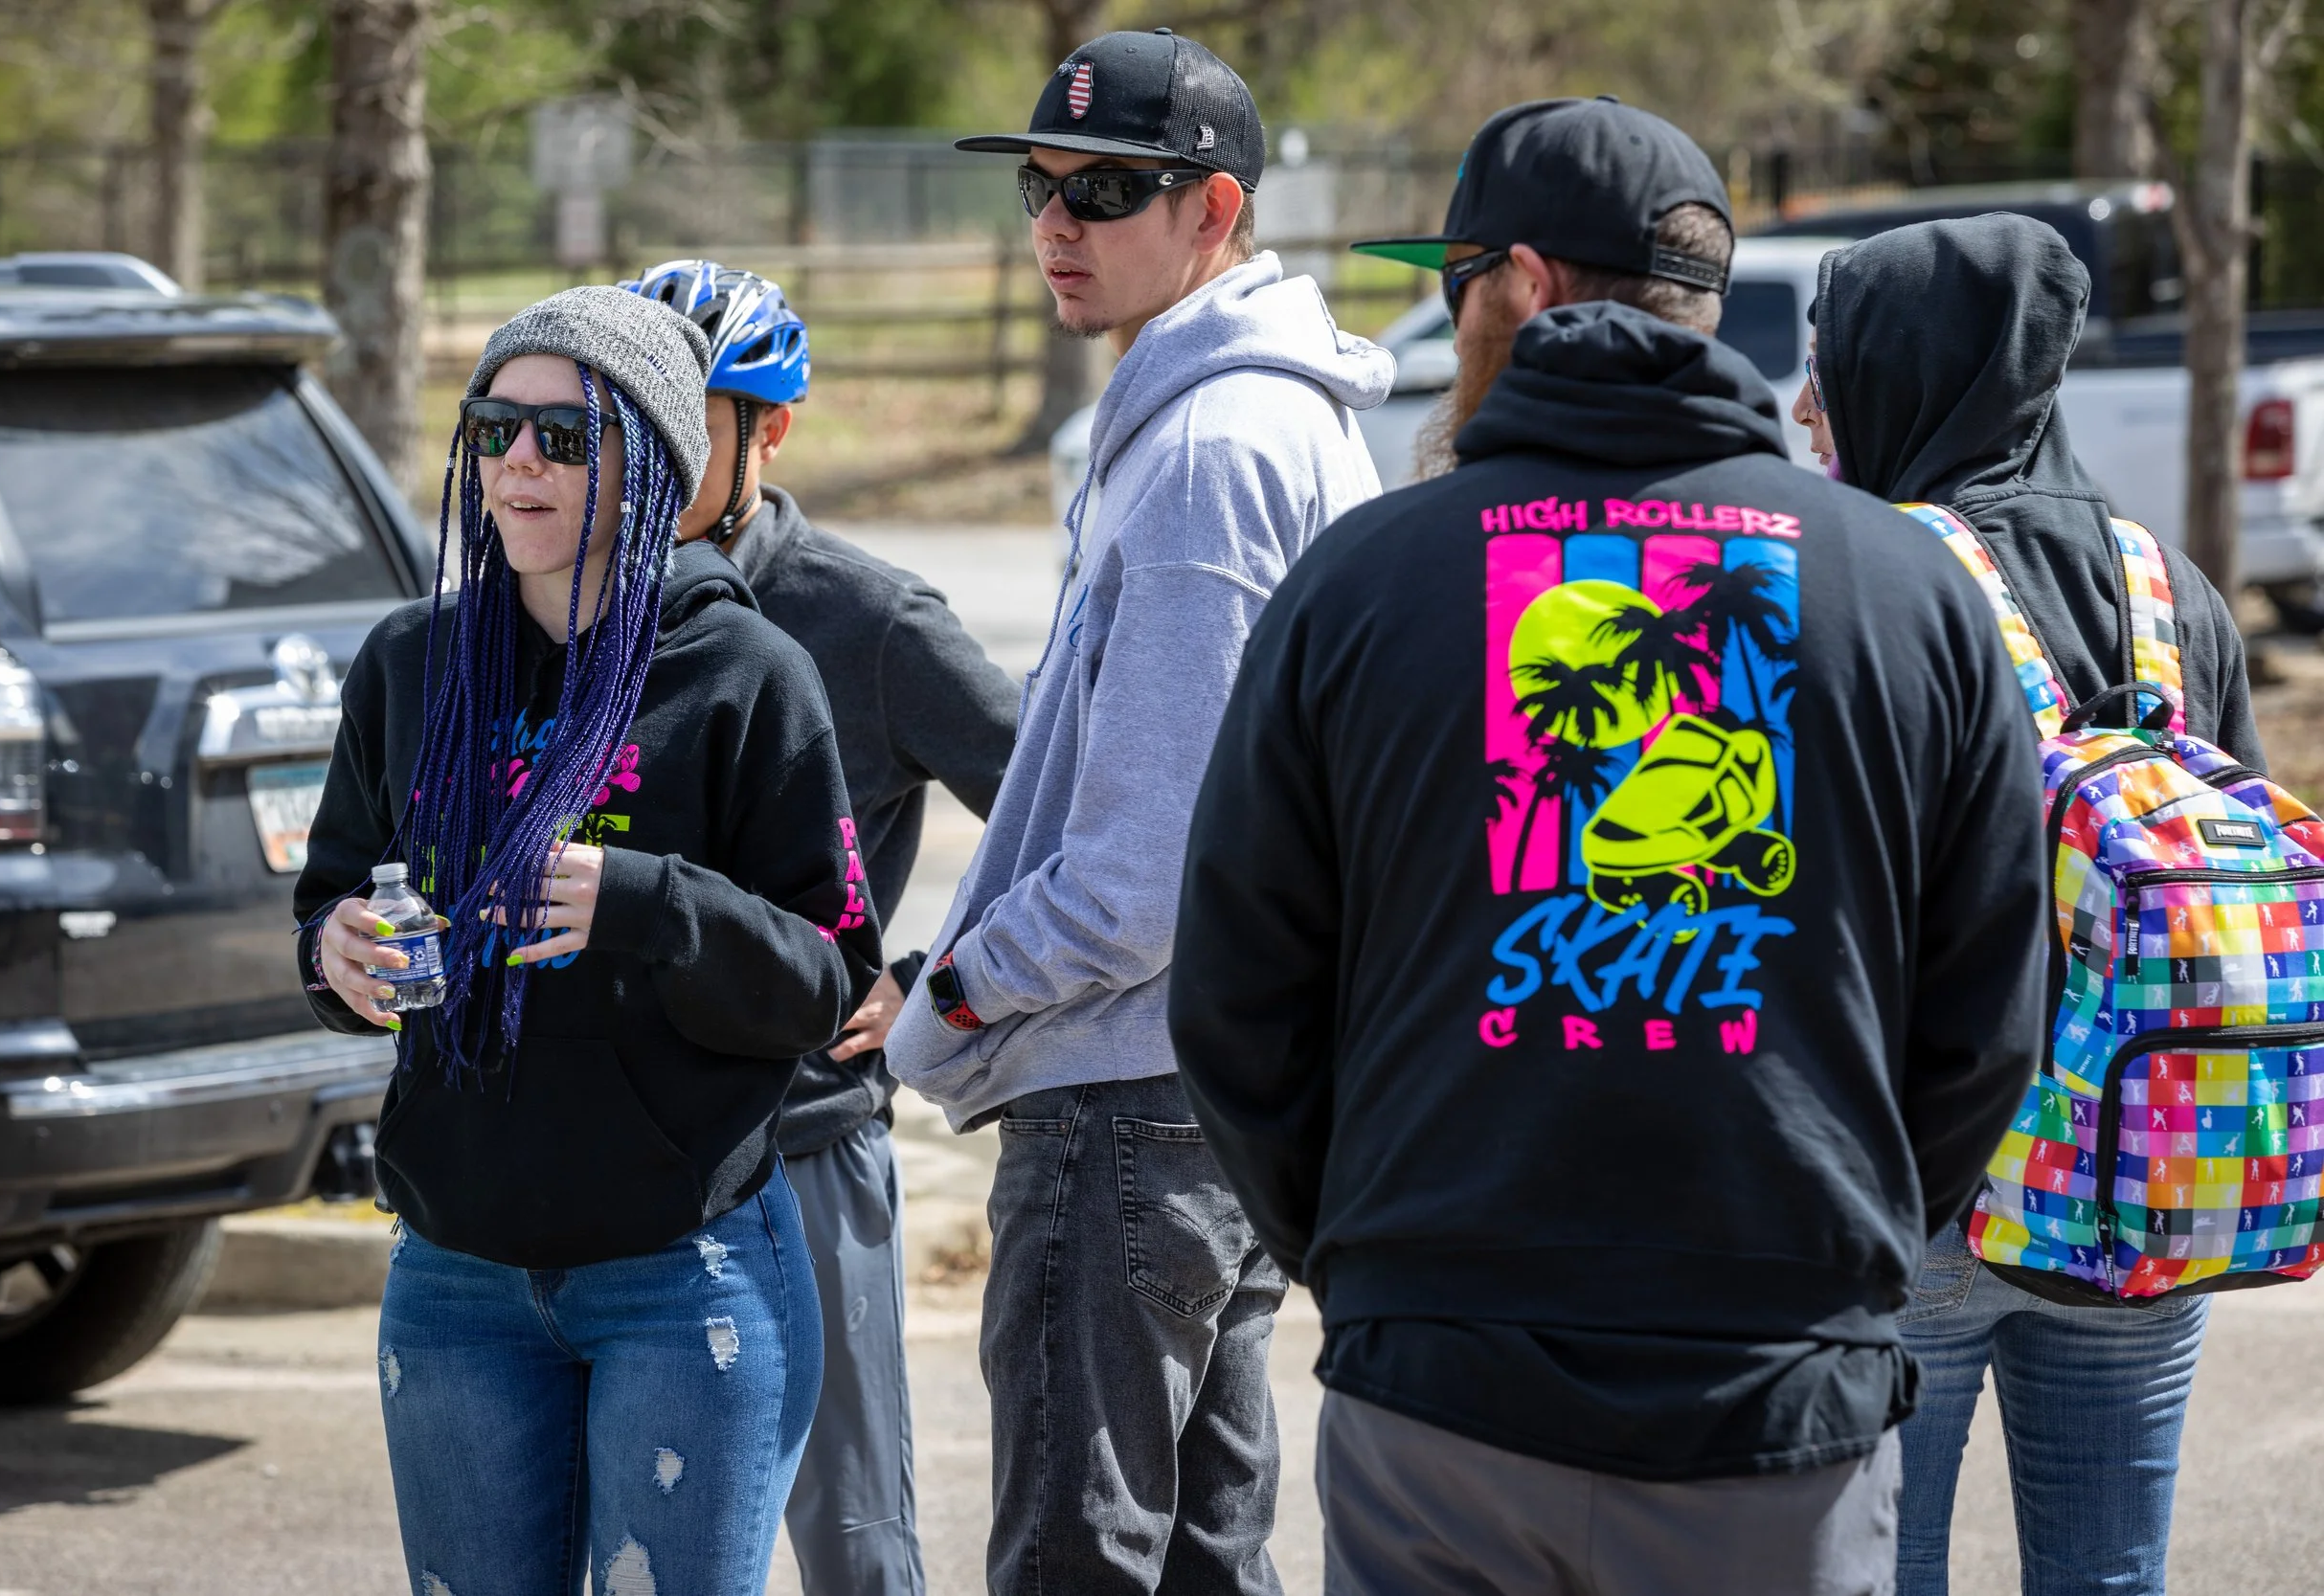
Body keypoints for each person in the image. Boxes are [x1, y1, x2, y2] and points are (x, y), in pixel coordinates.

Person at [1168, 98, 2053, 1595]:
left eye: (1454, 290)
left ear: (1522, 282)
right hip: (1773, 1400)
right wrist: (1834, 1235)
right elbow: (1990, 1018)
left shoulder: (1362, 585)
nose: (1451, 332)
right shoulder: (1905, 591)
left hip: (1448, 1398)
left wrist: (1380, 1259)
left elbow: (1236, 995)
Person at [880, 27, 1392, 1596]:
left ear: (1213, 214)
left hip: (1130, 1090)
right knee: (1208, 1557)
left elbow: (1146, 866)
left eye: (1106, 189)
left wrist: (953, 987)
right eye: (1039, 184)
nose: (1055, 223)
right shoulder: (1260, 417)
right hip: (1222, 1083)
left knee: (1074, 1560)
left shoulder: (1211, 450)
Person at [294, 286, 880, 1596]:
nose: (516, 463)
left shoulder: (747, 675)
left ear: (656, 463)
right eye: (496, 428)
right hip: (454, 1275)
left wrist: (648, 901)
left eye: (565, 437)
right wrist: (332, 951)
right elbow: (332, 898)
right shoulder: (411, 664)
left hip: (686, 1273)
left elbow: (829, 975)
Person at [1805, 214, 2268, 1596]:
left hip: (1932, 1186)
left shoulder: (1872, 578)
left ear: (1900, 371)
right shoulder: (2168, 583)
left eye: (1830, 365)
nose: (1810, 401)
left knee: (1885, 1571)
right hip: (2148, 1163)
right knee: (2110, 1576)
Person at [625, 258, 1020, 1596]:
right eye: (628, 410)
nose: (650, 446)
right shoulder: (562, 597)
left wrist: (937, 976)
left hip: (801, 1140)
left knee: (853, 1541)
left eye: (692, 416)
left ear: (769, 430)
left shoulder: (873, 621)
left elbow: (1064, 806)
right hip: (610, 1150)